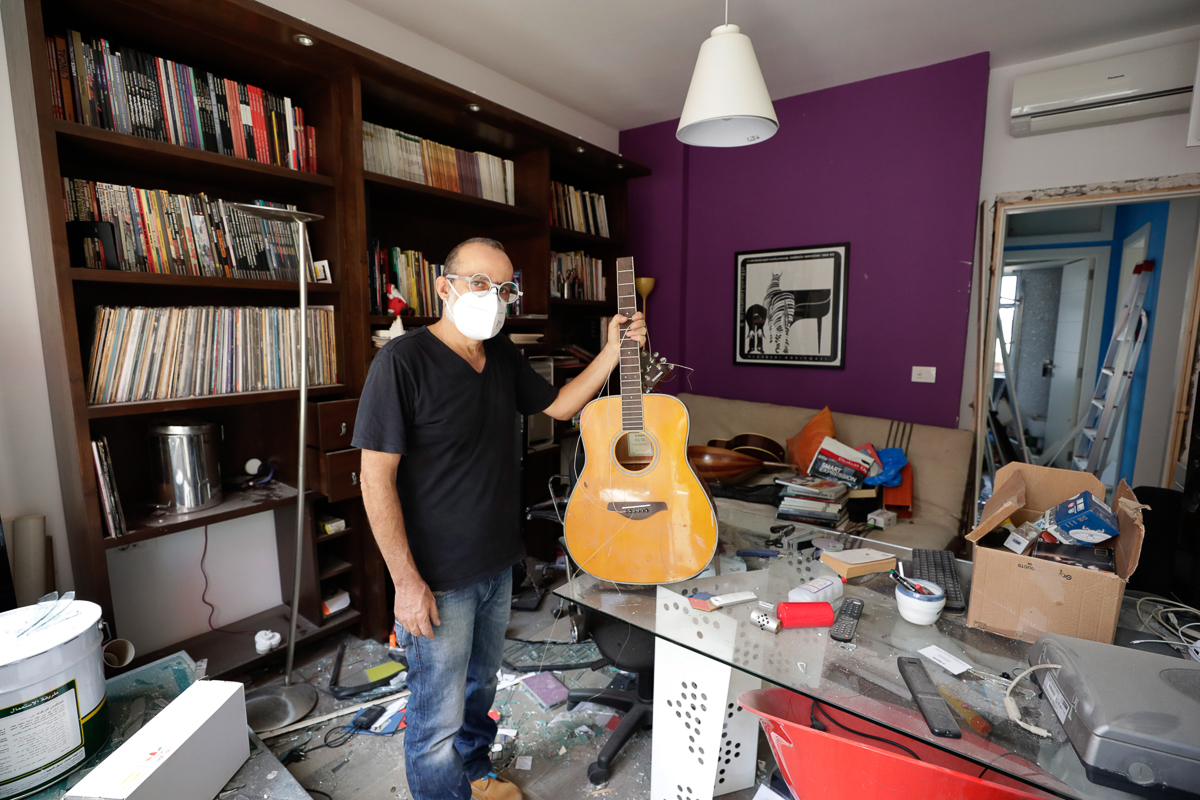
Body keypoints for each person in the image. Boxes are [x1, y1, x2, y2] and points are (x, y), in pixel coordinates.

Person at [352, 237, 647, 800]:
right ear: (444, 287)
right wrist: (407, 584)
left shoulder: (502, 353)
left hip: (496, 561)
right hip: (437, 575)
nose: (494, 297)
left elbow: (560, 406)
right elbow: (375, 481)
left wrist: (611, 352)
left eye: (504, 287)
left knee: (480, 687)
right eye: (479, 283)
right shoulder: (402, 362)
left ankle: (475, 769)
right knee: (434, 716)